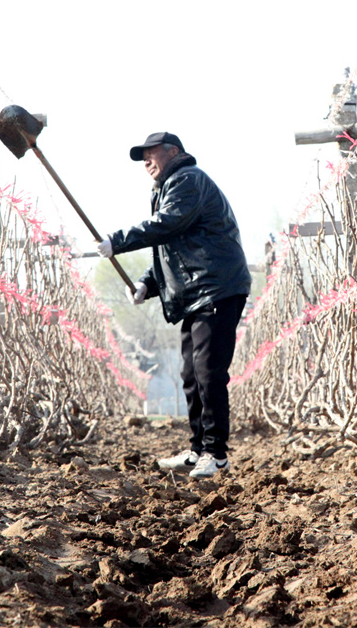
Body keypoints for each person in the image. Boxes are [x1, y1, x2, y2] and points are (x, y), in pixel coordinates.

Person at [97, 131, 252, 479]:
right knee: (191, 374)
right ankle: (198, 450)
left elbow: (166, 226)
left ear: (174, 151)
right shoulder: (168, 189)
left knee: (209, 372)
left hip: (217, 288)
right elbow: (170, 249)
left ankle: (216, 454)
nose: (146, 163)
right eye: (142, 158)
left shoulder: (187, 180)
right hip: (198, 295)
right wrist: (145, 284)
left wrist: (117, 242)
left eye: (151, 154)